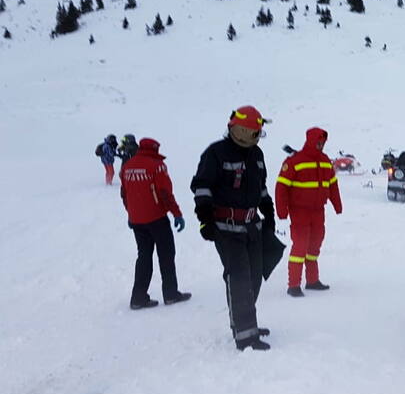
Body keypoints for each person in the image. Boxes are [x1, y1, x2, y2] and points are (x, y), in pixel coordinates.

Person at [191, 105, 275, 351]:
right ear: (242, 130)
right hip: (226, 228)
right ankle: (245, 334)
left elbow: (261, 187)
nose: (257, 136)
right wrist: (204, 218)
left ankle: (244, 320)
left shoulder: (256, 155)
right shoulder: (215, 153)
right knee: (238, 277)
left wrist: (267, 212)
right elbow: (202, 186)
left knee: (255, 276)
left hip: (252, 226)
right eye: (255, 131)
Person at [120, 138, 190, 309]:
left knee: (144, 256)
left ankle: (138, 297)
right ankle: (171, 293)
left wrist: (131, 214)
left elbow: (124, 194)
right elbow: (165, 192)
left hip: (137, 221)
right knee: (166, 255)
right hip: (157, 218)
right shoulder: (156, 166)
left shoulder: (127, 166)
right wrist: (177, 214)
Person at [276, 127, 343, 297]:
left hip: (318, 210)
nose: (321, 144)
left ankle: (312, 281)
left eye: (323, 142)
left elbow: (333, 184)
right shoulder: (294, 161)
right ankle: (293, 285)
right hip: (299, 211)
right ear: (311, 140)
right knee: (300, 246)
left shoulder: (325, 160)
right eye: (318, 141)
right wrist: (282, 211)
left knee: (315, 245)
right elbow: (281, 187)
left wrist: (337, 205)